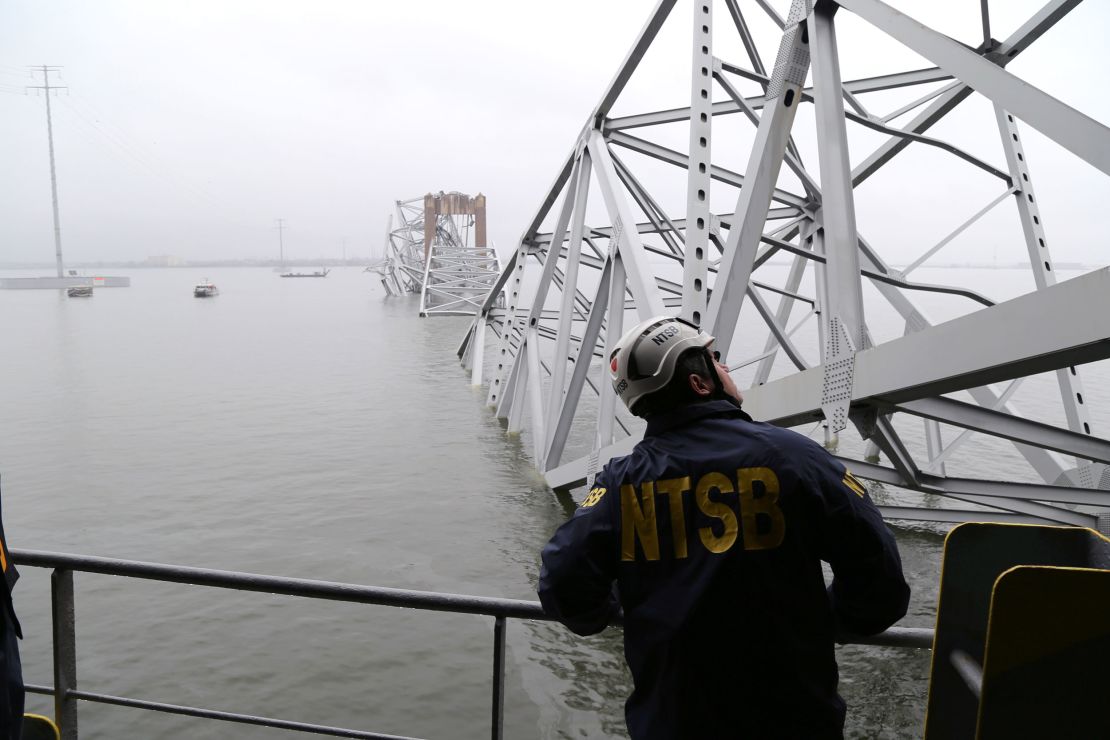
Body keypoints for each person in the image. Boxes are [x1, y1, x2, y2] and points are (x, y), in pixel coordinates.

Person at [538, 315, 910, 740]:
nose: (727, 367)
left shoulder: (620, 483)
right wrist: (829, 622)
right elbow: (879, 580)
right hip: (794, 720)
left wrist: (613, 612)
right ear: (700, 384)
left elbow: (563, 582)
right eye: (715, 359)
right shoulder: (795, 458)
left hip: (674, 723)